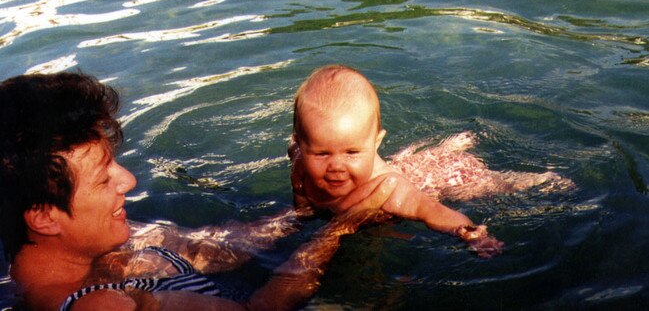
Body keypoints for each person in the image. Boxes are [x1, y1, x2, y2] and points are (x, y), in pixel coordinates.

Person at [0, 72, 394, 311]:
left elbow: (220, 247)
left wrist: (304, 212)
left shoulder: (94, 242)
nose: (129, 181)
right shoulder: (103, 305)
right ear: (44, 217)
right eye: (104, 179)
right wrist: (341, 226)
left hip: (267, 271)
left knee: (406, 174)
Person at [288, 65, 571, 258]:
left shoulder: (390, 190)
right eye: (322, 153)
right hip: (405, 167)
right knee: (416, 162)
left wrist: (470, 234)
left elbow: (431, 210)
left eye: (351, 153)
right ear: (301, 143)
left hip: (433, 182)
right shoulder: (300, 157)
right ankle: (449, 145)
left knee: (487, 185)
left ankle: (539, 180)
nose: (336, 165)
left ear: (375, 144)